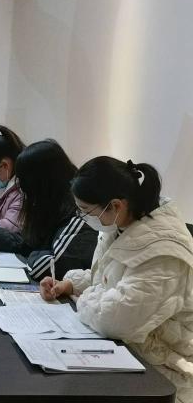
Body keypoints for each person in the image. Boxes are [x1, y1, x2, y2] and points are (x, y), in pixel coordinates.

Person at [40, 157, 193, 399]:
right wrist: (70, 285)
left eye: (85, 211)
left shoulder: (163, 250)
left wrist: (83, 297)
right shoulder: (122, 224)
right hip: (135, 352)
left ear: (115, 205)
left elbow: (114, 320)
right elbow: (107, 279)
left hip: (169, 372)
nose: (83, 217)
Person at [0, 140, 97, 280]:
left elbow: (46, 268)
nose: (23, 190)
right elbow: (24, 242)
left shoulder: (77, 215)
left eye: (25, 183)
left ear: (41, 182)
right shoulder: (47, 204)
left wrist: (34, 253)